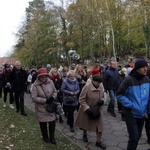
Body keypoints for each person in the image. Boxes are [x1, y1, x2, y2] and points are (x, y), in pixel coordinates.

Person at [116, 58, 150, 150]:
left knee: (137, 137)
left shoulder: (147, 79)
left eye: (146, 66)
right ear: (137, 68)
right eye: (143, 67)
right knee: (134, 137)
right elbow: (119, 95)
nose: (145, 69)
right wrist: (132, 105)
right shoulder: (128, 80)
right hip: (130, 113)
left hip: (142, 114)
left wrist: (148, 111)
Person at [74, 75, 106, 149]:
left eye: (100, 83)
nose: (98, 84)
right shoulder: (87, 87)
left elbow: (103, 96)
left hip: (98, 109)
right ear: (93, 81)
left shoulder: (101, 86)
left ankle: (98, 141)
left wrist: (102, 101)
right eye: (97, 82)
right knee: (86, 124)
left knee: (100, 126)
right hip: (87, 108)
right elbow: (81, 99)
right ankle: (84, 134)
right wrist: (87, 109)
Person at [31, 68, 57, 144]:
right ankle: (45, 137)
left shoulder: (51, 82)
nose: (44, 78)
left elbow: (55, 91)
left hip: (51, 106)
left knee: (52, 122)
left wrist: (52, 97)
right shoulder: (35, 85)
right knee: (43, 123)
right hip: (41, 107)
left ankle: (52, 137)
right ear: (39, 77)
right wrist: (44, 100)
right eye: (42, 77)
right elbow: (34, 97)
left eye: (45, 76)